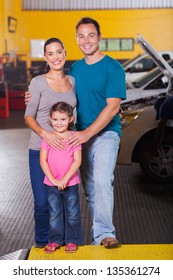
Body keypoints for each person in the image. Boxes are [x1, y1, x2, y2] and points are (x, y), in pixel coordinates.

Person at [25, 17, 126, 248]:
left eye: (91, 35)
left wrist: (87, 134)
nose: (87, 40)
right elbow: (53, 99)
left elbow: (112, 106)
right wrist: (30, 96)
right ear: (76, 40)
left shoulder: (113, 67)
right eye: (81, 35)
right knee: (87, 189)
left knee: (101, 182)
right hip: (73, 138)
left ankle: (104, 234)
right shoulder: (75, 70)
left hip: (103, 135)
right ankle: (54, 242)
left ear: (100, 37)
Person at [24, 37, 78, 248]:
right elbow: (29, 116)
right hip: (40, 150)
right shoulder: (37, 82)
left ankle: (63, 242)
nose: (56, 57)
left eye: (59, 52)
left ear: (65, 53)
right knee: (42, 203)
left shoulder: (73, 81)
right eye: (50, 53)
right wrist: (45, 134)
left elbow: (78, 112)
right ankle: (41, 244)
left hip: (65, 153)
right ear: (45, 57)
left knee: (65, 201)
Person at [40, 102, 83, 253]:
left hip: (70, 183)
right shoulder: (48, 138)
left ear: (71, 119)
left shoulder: (74, 138)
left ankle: (72, 240)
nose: (59, 123)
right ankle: (55, 240)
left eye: (63, 119)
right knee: (54, 214)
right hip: (51, 183)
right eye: (56, 119)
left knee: (73, 213)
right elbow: (43, 160)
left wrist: (65, 179)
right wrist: (53, 179)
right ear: (50, 119)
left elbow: (77, 160)